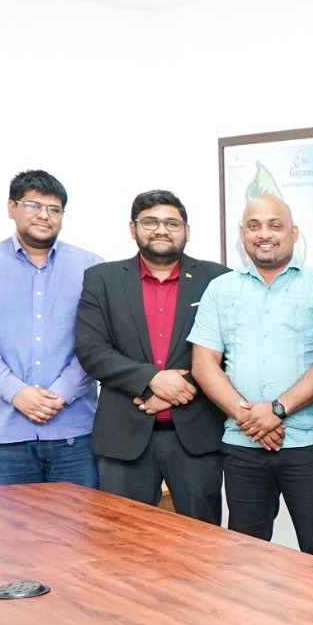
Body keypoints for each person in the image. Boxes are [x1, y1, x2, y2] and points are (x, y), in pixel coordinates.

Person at [189, 196, 313, 561]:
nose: (264, 234)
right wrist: (248, 417)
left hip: (308, 442)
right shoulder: (221, 289)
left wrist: (277, 409)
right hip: (242, 443)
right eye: (254, 226)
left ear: (293, 233)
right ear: (242, 234)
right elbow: (204, 363)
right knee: (244, 555)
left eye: (275, 225)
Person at [74, 190, 229, 522]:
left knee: (201, 543)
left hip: (196, 436)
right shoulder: (102, 279)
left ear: (187, 230)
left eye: (172, 222)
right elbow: (92, 350)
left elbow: (229, 352)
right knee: (122, 542)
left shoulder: (217, 279)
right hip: (123, 437)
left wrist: (177, 393)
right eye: (151, 222)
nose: (162, 230)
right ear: (133, 228)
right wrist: (152, 381)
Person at [0, 170, 104, 487]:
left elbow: (98, 341)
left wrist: (61, 393)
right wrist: (15, 392)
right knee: (11, 534)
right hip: (2, 433)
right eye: (33, 205)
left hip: (75, 430)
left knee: (82, 533)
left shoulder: (91, 266)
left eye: (54, 209)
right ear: (12, 208)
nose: (44, 216)